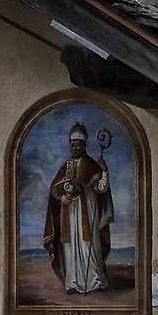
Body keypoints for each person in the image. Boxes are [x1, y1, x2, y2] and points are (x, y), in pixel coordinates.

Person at [43, 122, 112, 296]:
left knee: (89, 244)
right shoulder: (66, 166)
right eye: (72, 144)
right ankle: (72, 282)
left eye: (78, 144)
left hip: (87, 210)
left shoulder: (91, 165)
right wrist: (61, 197)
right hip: (69, 212)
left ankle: (95, 281)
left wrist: (104, 171)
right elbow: (54, 189)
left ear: (84, 145)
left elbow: (101, 189)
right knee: (71, 245)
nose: (75, 147)